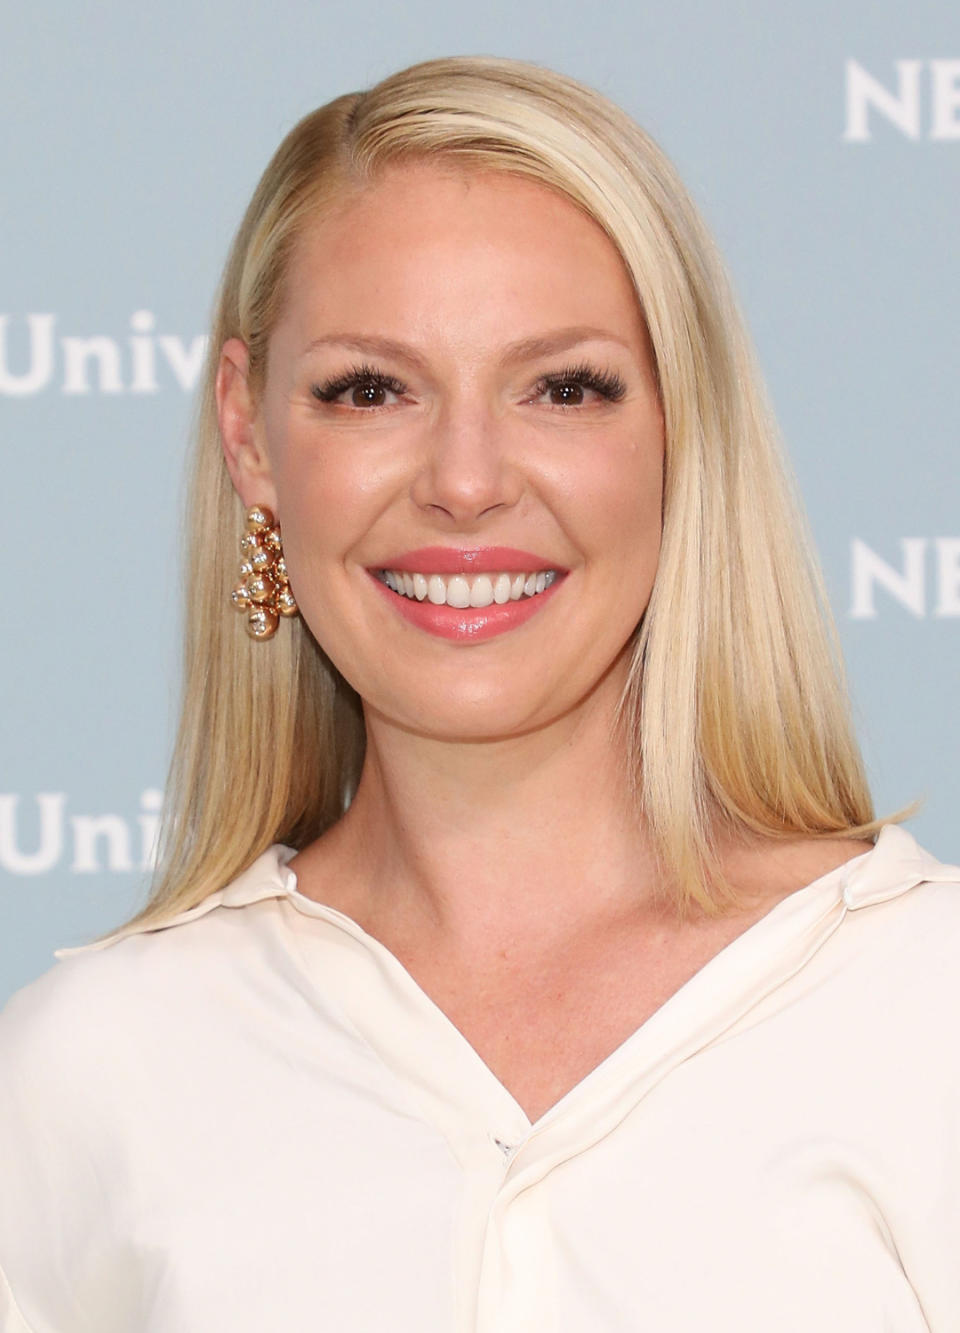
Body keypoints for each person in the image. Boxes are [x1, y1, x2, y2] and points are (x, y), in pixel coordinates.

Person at [1, 53, 958, 1333]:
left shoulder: (923, 1003)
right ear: (249, 435)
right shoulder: (88, 1072)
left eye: (564, 387)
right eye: (370, 390)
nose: (464, 480)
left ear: (687, 429)